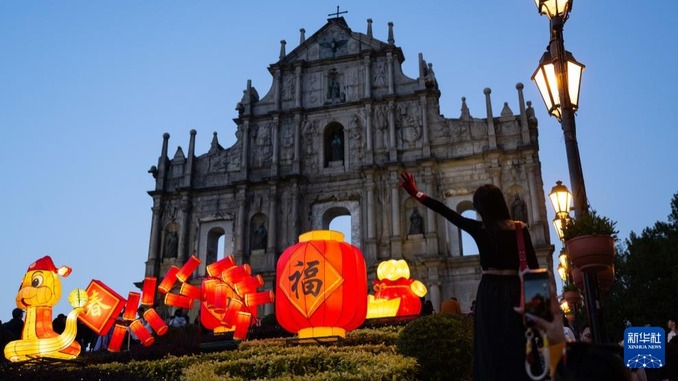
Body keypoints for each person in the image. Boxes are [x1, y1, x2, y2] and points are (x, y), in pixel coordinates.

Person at [399, 170, 539, 381]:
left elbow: (445, 211)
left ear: (481, 209)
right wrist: (542, 316)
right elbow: (535, 271)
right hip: (514, 292)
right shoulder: (520, 230)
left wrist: (417, 193)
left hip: (489, 292)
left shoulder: (480, 229)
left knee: (490, 348)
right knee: (519, 344)